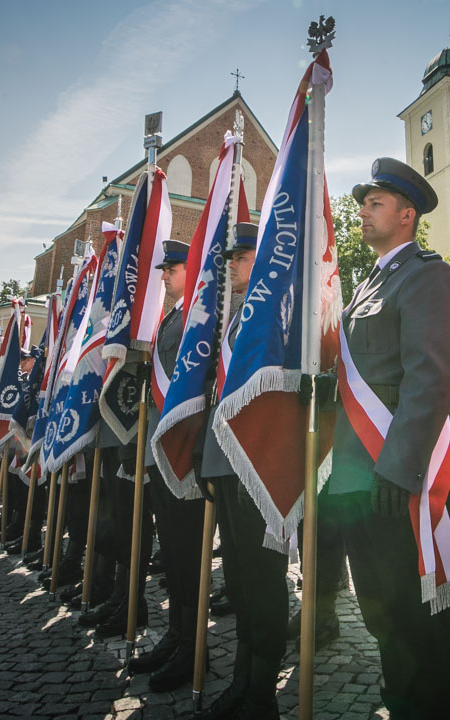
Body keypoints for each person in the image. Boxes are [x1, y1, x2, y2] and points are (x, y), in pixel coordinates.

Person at [328, 158, 450, 719]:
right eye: (363, 203)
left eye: (375, 203)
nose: (362, 211)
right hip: (356, 477)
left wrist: (400, 466)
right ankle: (402, 702)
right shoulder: (369, 282)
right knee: (381, 612)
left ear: (407, 214)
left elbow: (431, 379)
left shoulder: (427, 276)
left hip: (395, 477)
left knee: (420, 620)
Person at [197, 221, 289, 720]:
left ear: (261, 260)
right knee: (238, 579)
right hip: (229, 462)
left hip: (261, 462)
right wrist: (207, 457)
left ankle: (262, 692)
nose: (230, 265)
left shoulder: (275, 309)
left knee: (263, 580)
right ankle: (243, 677)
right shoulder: (235, 319)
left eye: (240, 258)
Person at [130, 239, 211, 690]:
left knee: (187, 551)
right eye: (163, 269)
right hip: (164, 447)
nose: (163, 275)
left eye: (172, 268)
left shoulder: (199, 315)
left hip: (187, 449)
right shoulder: (171, 318)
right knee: (175, 556)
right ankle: (177, 634)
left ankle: (192, 647)